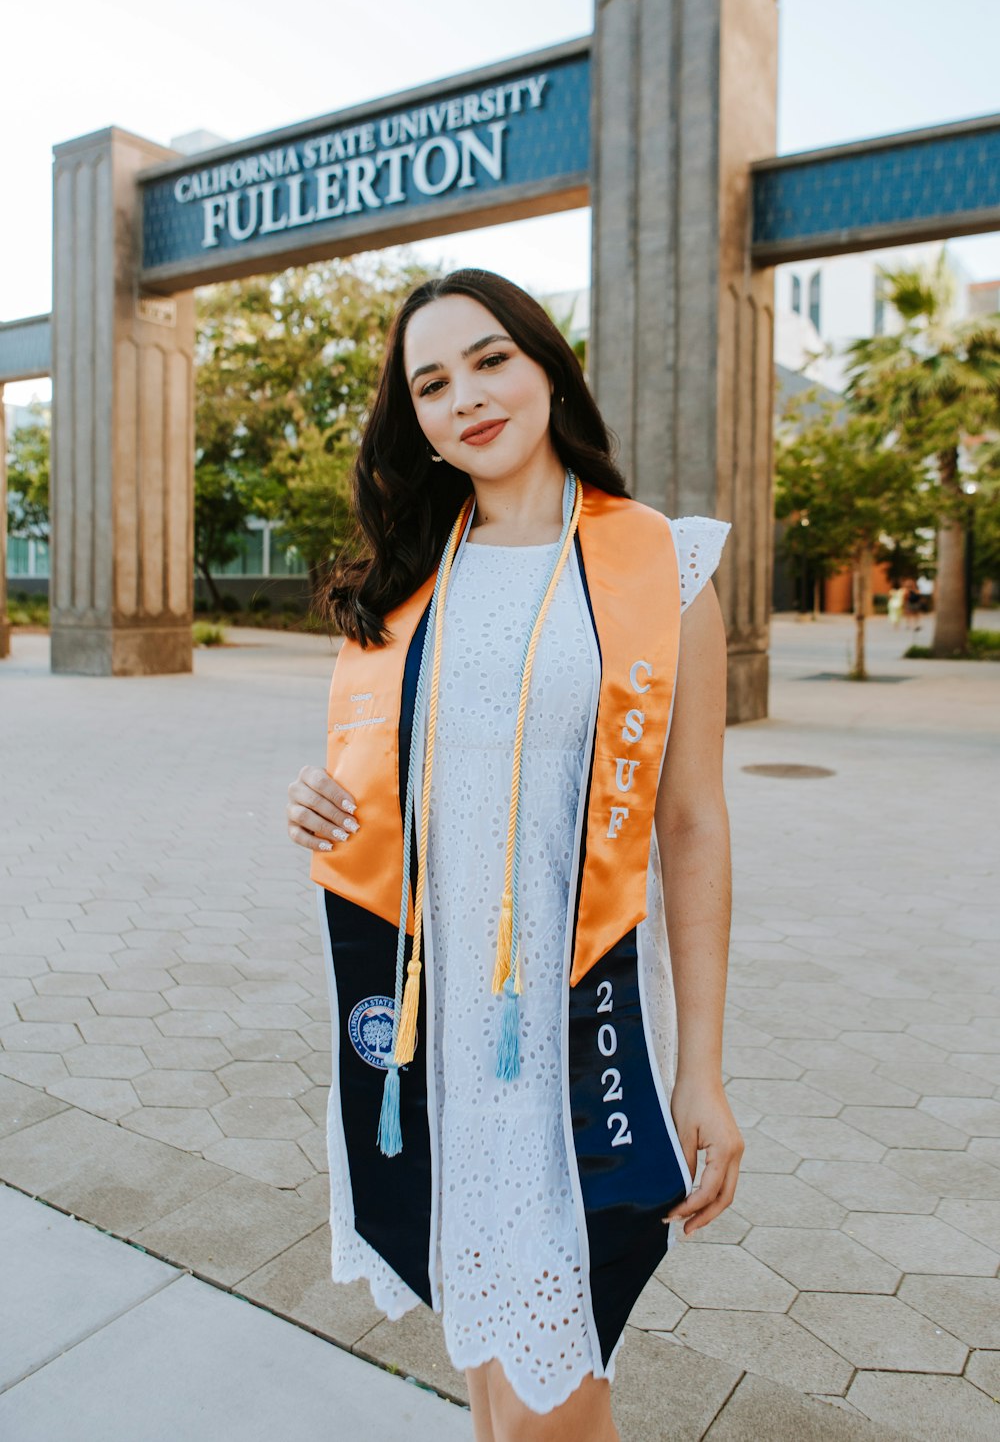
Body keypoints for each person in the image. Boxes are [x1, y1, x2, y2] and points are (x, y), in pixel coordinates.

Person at [286, 268, 743, 1442]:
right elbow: (387, 786)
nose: (466, 398)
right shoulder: (407, 581)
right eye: (430, 384)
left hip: (569, 1035)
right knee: (492, 1386)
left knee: (554, 1403)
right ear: (415, 422)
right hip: (437, 1041)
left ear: (545, 364)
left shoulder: (659, 565)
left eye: (490, 360)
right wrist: (320, 810)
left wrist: (703, 1069)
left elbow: (690, 825)